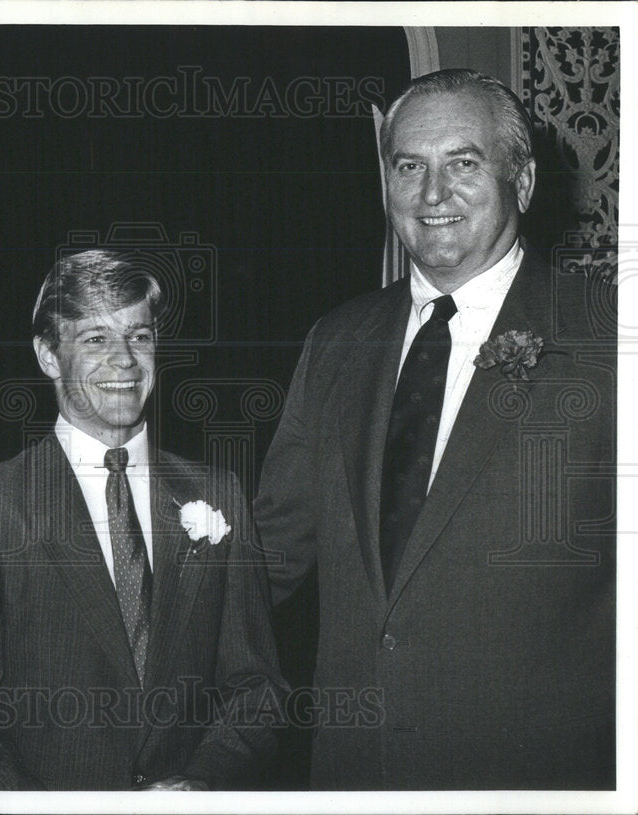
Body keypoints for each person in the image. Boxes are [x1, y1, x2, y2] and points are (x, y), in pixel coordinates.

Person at [254, 69, 615, 789]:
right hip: (354, 775)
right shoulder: (336, 339)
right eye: (409, 165)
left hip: (536, 781)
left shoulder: (611, 339)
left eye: (464, 162)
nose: (432, 194)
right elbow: (272, 554)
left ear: (524, 179)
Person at [0, 249, 286, 790]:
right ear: (48, 355)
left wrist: (202, 781)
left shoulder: (217, 493)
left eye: (139, 336)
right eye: (95, 339)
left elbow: (258, 690)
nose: (125, 360)